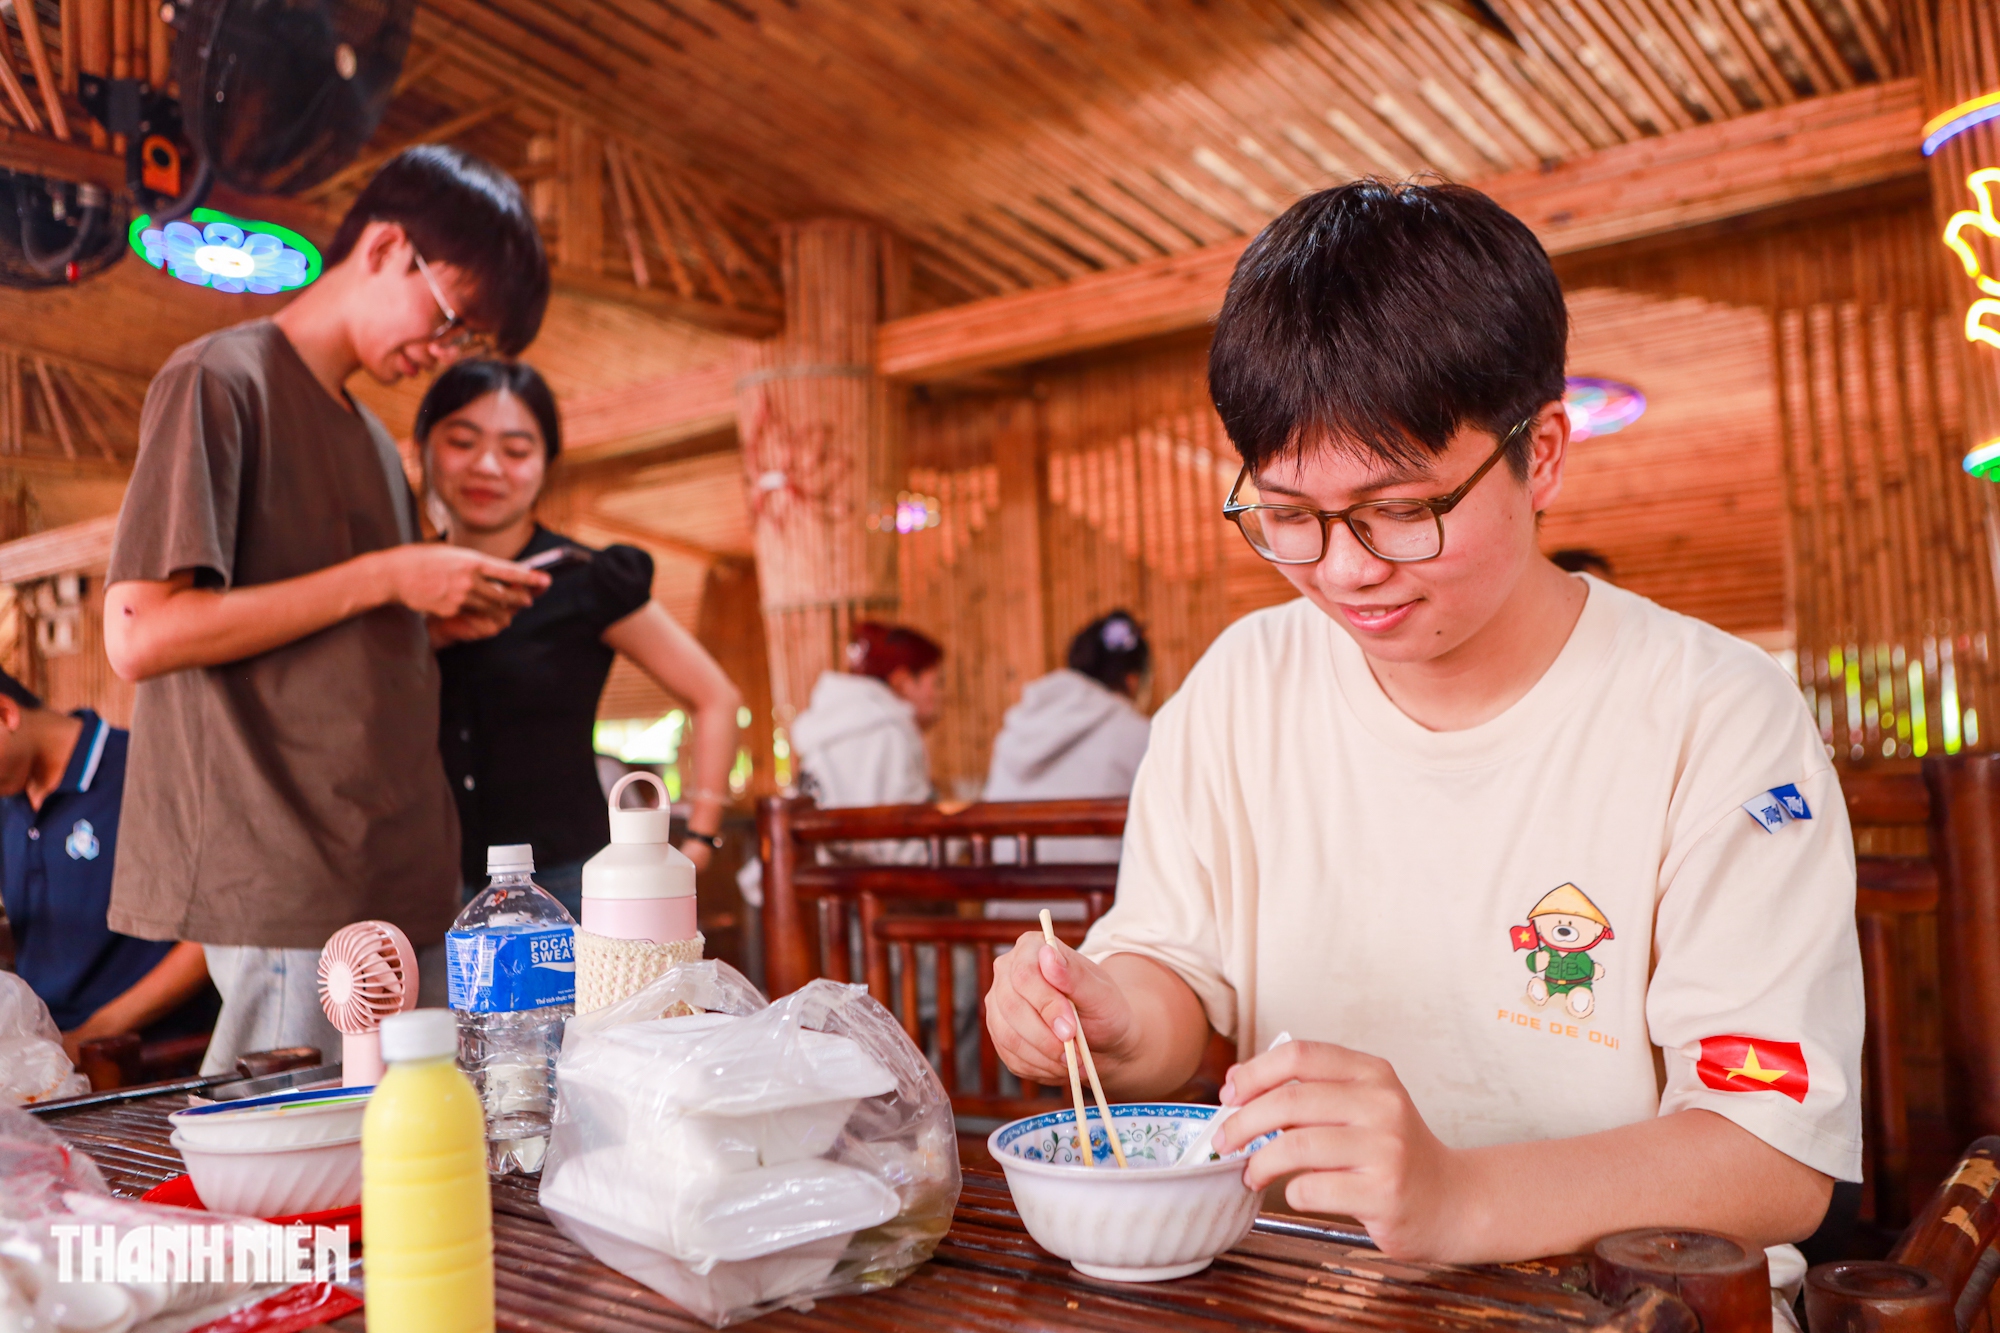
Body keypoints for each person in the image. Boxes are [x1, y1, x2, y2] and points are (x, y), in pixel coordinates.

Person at [983, 181, 1859, 1306]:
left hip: (1625, 1306)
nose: (1344, 569)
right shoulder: (1244, 684)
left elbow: (1774, 1158)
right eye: (1288, 513)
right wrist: (1104, 1013)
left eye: (1401, 508)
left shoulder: (1713, 713)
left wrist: (1454, 1197)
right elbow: (1174, 987)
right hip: (1300, 1292)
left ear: (1538, 454)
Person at [102, 145, 553, 1075]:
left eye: (464, 344)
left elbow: (320, 629)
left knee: (405, 1162)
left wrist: (425, 618)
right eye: (451, 318)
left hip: (395, 862)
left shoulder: (373, 443)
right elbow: (142, 632)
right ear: (387, 246)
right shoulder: (221, 381)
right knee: (291, 1180)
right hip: (286, 863)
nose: (442, 353)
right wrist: (390, 577)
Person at [420, 358, 745, 917]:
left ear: (547, 465)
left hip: (566, 882)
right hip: (426, 884)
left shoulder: (583, 579)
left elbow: (716, 697)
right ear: (424, 448)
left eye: (517, 450)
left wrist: (700, 839)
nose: (488, 466)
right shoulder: (398, 580)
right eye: (462, 441)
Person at [0, 670, 216, 1064]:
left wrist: (91, 1035)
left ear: (5, 713)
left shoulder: (145, 772)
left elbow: (216, 937)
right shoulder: (9, 799)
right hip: (43, 1054)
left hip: (149, 1057)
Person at [984, 608, 1152, 869]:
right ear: (1132, 680)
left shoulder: (1015, 728)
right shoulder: (1136, 734)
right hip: (1098, 906)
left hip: (1009, 903)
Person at [790, 623, 943, 810]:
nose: (941, 695)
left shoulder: (821, 731)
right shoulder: (893, 734)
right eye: (937, 683)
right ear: (902, 682)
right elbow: (910, 829)